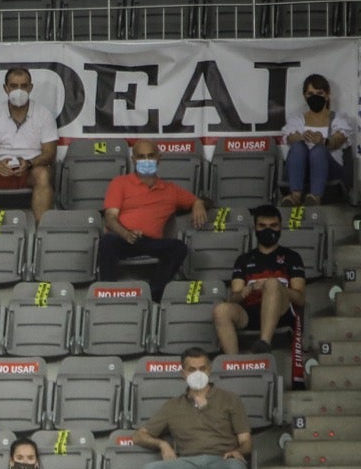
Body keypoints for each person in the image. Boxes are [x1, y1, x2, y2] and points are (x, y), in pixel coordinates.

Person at [134, 347, 251, 469]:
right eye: (192, 369)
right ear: (183, 373)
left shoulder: (230, 399)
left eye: (202, 368)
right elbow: (139, 436)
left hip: (221, 459)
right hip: (187, 461)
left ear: (209, 369)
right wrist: (162, 445)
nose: (198, 373)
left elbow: (246, 442)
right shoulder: (172, 406)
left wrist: (238, 451)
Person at [97, 140, 208, 302]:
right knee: (107, 241)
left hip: (151, 242)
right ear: (133, 159)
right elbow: (110, 218)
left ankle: (155, 293)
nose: (146, 160)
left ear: (159, 158)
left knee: (178, 247)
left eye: (151, 156)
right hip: (122, 239)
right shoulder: (119, 183)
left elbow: (196, 200)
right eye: (141, 157)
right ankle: (108, 294)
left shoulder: (170, 190)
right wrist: (126, 234)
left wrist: (198, 203)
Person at [213, 206, 307, 381]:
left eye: (273, 225)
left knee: (272, 283)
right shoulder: (244, 260)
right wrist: (244, 292)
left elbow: (300, 299)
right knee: (221, 310)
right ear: (255, 228)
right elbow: (233, 298)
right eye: (262, 226)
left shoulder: (292, 257)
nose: (268, 229)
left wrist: (277, 288)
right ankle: (233, 366)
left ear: (280, 227)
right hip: (251, 311)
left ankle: (264, 343)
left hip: (281, 312)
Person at [0, 67, 58, 220]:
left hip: (31, 170)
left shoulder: (44, 114)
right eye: (14, 86)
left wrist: (30, 163)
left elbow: (50, 153)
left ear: (30, 88)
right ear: (6, 88)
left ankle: (41, 233)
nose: (19, 90)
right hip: (0, 171)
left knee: (43, 175)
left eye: (23, 86)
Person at [283, 73, 352, 206]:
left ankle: (315, 196)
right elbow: (290, 137)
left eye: (319, 93)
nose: (315, 97)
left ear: (327, 95)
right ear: (305, 96)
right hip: (300, 170)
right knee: (298, 147)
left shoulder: (338, 119)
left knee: (319, 150)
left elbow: (339, 139)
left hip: (330, 171)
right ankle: (295, 196)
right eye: (310, 94)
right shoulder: (297, 119)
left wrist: (324, 141)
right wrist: (302, 137)